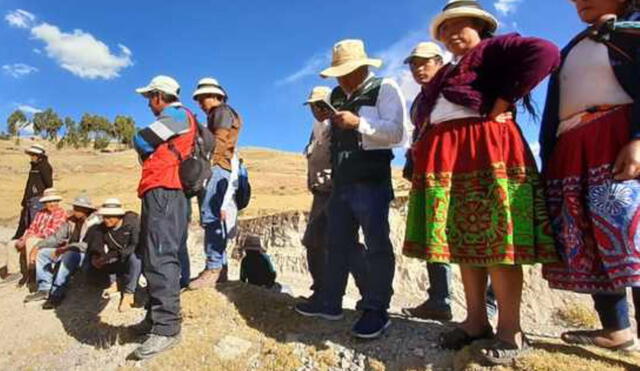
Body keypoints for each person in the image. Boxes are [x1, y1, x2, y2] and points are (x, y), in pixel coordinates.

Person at [403, 0, 560, 365]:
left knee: (496, 238)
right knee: (462, 240)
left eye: (460, 25)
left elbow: (546, 51)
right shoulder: (446, 72)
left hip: (484, 149)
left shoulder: (494, 49)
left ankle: (510, 331)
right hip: (449, 155)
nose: (452, 34)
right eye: (445, 29)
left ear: (480, 26)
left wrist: (504, 101)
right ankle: (475, 321)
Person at [540, 0, 640, 351]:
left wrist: (638, 140)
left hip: (616, 137)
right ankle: (616, 329)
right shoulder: (575, 44)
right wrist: (548, 157)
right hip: (572, 146)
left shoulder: (633, 31)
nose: (580, 1)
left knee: (631, 235)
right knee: (593, 238)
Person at [295, 39, 411, 339]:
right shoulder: (336, 94)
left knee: (376, 243)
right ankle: (330, 302)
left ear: (361, 67)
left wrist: (358, 122)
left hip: (371, 179)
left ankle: (376, 308)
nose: (340, 78)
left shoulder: (385, 88)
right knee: (337, 243)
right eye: (338, 72)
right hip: (341, 182)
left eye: (345, 71)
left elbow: (398, 133)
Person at [400, 41, 497, 321]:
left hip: (469, 163)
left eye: (424, 61)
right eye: (413, 64)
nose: (418, 68)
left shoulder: (460, 81)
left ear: (439, 60)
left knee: (481, 227)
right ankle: (439, 300)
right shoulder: (419, 102)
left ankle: (490, 302)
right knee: (436, 230)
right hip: (434, 168)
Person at [129, 75, 195, 359]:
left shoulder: (176, 114)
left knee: (160, 255)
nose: (148, 103)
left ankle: (167, 328)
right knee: (153, 254)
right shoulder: (180, 116)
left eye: (149, 98)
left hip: (165, 190)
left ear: (158, 95)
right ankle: (155, 319)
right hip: (164, 191)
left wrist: (142, 145)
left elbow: (141, 139)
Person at [301, 86, 366, 303]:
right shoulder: (316, 129)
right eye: (313, 106)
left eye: (321, 104)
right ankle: (324, 289)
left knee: (343, 242)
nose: (317, 109)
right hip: (320, 192)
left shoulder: (340, 126)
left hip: (336, 190)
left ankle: (367, 293)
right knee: (317, 242)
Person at [189, 78, 243, 289]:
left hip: (217, 167)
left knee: (211, 216)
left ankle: (213, 268)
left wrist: (206, 167)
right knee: (214, 218)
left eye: (203, 98)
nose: (200, 102)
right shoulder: (219, 113)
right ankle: (220, 268)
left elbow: (219, 142)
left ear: (216, 96)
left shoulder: (220, 112)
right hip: (220, 167)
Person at [25, 195, 100, 309]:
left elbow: (88, 245)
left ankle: (57, 292)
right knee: (43, 253)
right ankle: (44, 288)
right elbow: (56, 238)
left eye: (79, 208)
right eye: (75, 207)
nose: (76, 210)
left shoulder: (94, 223)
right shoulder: (71, 221)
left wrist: (67, 248)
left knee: (69, 255)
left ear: (87, 210)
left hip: (86, 256)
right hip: (68, 250)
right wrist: (37, 246)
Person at [2, 188, 67, 287]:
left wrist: (31, 237)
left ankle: (32, 273)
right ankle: (14, 273)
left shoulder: (61, 213)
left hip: (49, 241)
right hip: (35, 237)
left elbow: (52, 232)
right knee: (12, 244)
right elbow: (31, 228)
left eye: (54, 201)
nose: (52, 204)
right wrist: (24, 238)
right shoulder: (40, 213)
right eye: (49, 201)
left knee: (31, 242)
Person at [85, 199, 141, 313]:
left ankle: (129, 293)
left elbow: (134, 245)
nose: (106, 220)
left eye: (110, 216)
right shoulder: (103, 228)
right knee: (100, 258)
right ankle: (115, 283)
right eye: (104, 216)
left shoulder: (132, 224)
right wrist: (97, 257)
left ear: (118, 216)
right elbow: (96, 243)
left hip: (132, 255)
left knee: (135, 259)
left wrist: (112, 256)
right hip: (116, 256)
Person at [12, 144, 53, 241]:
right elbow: (29, 184)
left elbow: (49, 183)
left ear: (39, 155)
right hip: (30, 198)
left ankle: (34, 240)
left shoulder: (44, 166)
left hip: (37, 198)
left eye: (33, 155)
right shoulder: (34, 167)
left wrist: (40, 193)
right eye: (31, 154)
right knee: (26, 219)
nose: (31, 157)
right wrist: (25, 198)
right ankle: (21, 238)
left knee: (35, 221)